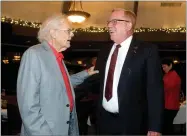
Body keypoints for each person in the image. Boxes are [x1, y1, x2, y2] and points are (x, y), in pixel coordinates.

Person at [16, 13, 98, 136]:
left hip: (65, 126)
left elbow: (62, 83)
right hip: (46, 130)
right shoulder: (34, 54)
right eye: (68, 30)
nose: (72, 34)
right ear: (53, 33)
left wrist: (86, 73)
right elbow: (28, 106)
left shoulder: (57, 57)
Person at [95, 8, 164, 136]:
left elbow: (154, 90)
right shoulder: (104, 51)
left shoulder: (147, 50)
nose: (109, 25)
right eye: (108, 22)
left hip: (133, 123)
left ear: (128, 25)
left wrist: (155, 126)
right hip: (104, 121)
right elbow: (97, 82)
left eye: (115, 21)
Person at [162, 58, 181, 135]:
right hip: (168, 105)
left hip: (170, 106)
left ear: (170, 65)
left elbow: (166, 88)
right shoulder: (168, 75)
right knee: (167, 126)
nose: (163, 69)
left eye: (164, 66)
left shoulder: (174, 76)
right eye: (162, 67)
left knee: (167, 127)